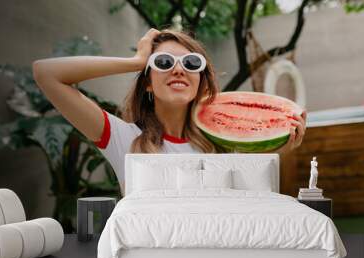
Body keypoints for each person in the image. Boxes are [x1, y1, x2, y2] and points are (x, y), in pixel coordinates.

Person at [32, 28, 306, 196]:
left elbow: (243, 200)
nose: (178, 69)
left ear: (200, 79)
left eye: (190, 62)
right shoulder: (123, 138)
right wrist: (136, 61)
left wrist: (279, 149)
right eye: (163, 62)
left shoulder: (222, 146)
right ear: (148, 82)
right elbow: (46, 73)